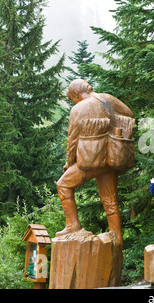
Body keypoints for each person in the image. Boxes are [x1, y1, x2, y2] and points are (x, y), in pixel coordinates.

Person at [56, 79, 134, 242]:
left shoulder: (79, 108)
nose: (73, 102)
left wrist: (70, 163)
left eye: (72, 98)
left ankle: (73, 225)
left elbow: (72, 141)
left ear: (76, 94)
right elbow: (129, 113)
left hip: (92, 159)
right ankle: (116, 236)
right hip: (112, 156)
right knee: (110, 199)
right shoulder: (109, 99)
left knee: (63, 184)